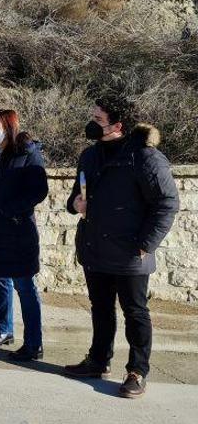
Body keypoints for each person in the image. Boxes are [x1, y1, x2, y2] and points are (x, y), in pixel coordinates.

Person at [63, 96, 179, 399]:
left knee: (135, 313)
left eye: (98, 120)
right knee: (101, 310)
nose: (92, 124)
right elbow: (76, 194)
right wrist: (74, 204)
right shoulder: (89, 155)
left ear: (118, 125)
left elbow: (167, 204)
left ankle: (137, 371)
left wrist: (145, 245)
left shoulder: (146, 157)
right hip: (94, 248)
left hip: (130, 254)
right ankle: (98, 361)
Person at [0, 109, 48, 361]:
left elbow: (38, 190)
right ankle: (4, 330)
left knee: (25, 286)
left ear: (9, 127)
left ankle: (34, 344)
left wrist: (9, 210)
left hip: (17, 229)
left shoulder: (27, 153)